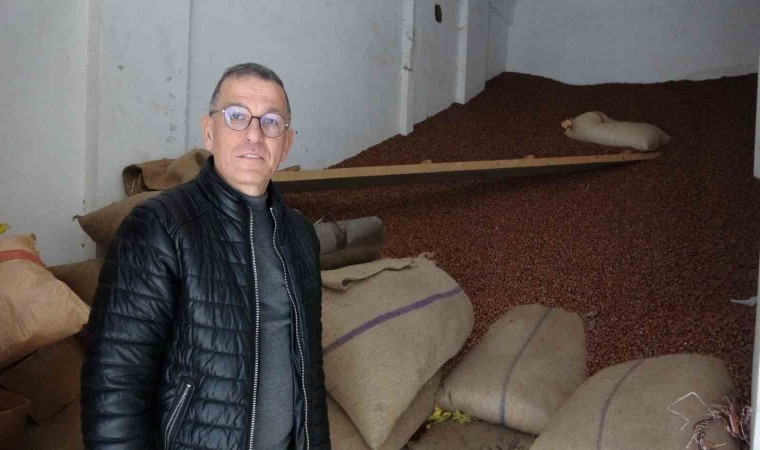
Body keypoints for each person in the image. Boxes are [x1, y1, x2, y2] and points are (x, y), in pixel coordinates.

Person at [81, 63, 331, 450]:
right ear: (209, 131)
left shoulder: (299, 235)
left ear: (287, 142)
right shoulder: (161, 227)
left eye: (271, 122)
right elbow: (114, 384)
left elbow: (310, 377)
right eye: (236, 116)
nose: (254, 134)